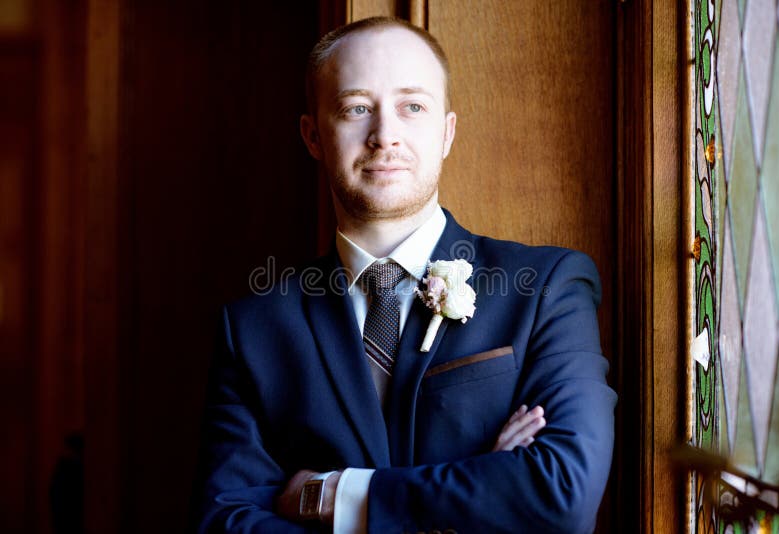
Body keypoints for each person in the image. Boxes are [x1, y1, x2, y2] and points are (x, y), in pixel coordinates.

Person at [194, 16, 616, 534]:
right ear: (312, 136)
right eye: (356, 109)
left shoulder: (548, 286)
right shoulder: (253, 329)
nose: (384, 136)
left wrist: (336, 496)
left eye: (412, 107)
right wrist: (487, 485)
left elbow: (562, 495)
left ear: (447, 131)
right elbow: (225, 523)